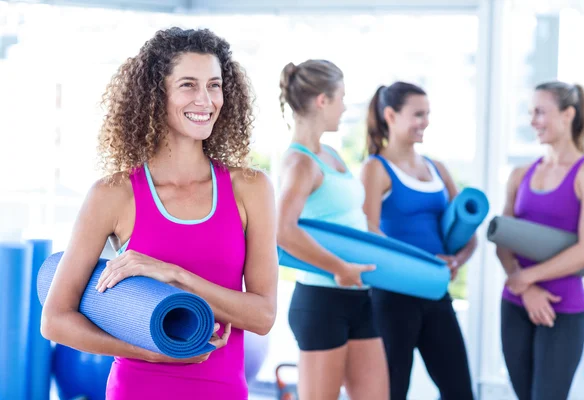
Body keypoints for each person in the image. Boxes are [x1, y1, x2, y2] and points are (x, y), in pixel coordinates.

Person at [40, 27, 279, 400]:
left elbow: (262, 317)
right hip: (138, 387)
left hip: (222, 390)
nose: (205, 100)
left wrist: (175, 275)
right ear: (156, 95)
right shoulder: (113, 194)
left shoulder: (250, 188)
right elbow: (55, 321)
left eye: (214, 85)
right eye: (188, 84)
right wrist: (150, 352)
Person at [276, 59, 389, 400]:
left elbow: (352, 219)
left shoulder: (330, 153)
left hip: (359, 296)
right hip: (322, 300)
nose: (345, 107)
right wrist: (340, 268)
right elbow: (282, 230)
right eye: (341, 97)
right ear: (323, 101)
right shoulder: (300, 163)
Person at [360, 81, 476, 400]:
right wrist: (425, 264)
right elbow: (370, 235)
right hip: (392, 298)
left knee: (460, 391)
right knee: (393, 392)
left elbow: (469, 236)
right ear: (390, 115)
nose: (425, 122)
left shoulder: (436, 168)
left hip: (436, 292)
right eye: (417, 114)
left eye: (427, 114)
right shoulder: (375, 168)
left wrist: (457, 260)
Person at [497, 81, 584, 400]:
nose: (533, 121)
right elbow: (503, 239)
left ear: (568, 114)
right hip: (516, 304)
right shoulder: (520, 174)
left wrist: (527, 277)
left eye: (541, 112)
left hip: (563, 309)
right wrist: (526, 289)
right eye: (531, 113)